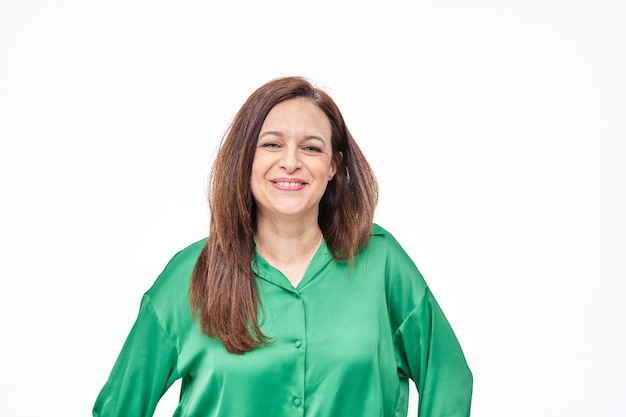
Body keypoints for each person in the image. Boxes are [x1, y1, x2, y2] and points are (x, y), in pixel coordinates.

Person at [93, 76, 473, 417]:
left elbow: (449, 376)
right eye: (272, 144)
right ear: (246, 159)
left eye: (311, 149)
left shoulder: (381, 263)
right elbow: (118, 408)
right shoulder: (190, 275)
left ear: (334, 166)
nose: (290, 162)